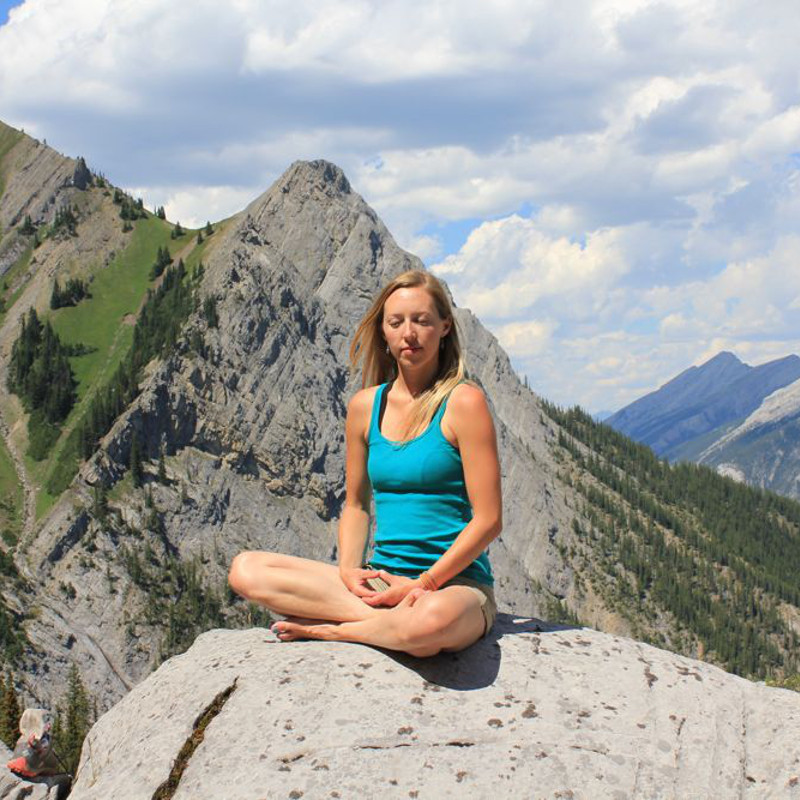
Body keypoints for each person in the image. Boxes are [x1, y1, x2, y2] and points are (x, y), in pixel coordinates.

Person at [228, 269, 502, 657]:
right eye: (397, 322)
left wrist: (424, 584)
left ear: (443, 327)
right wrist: (349, 571)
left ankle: (337, 630)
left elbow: (488, 519)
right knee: (247, 570)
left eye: (422, 320)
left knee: (431, 620)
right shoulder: (364, 407)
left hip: (453, 588)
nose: (409, 333)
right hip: (382, 581)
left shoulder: (464, 402)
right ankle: (386, 625)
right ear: (384, 334)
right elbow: (356, 505)